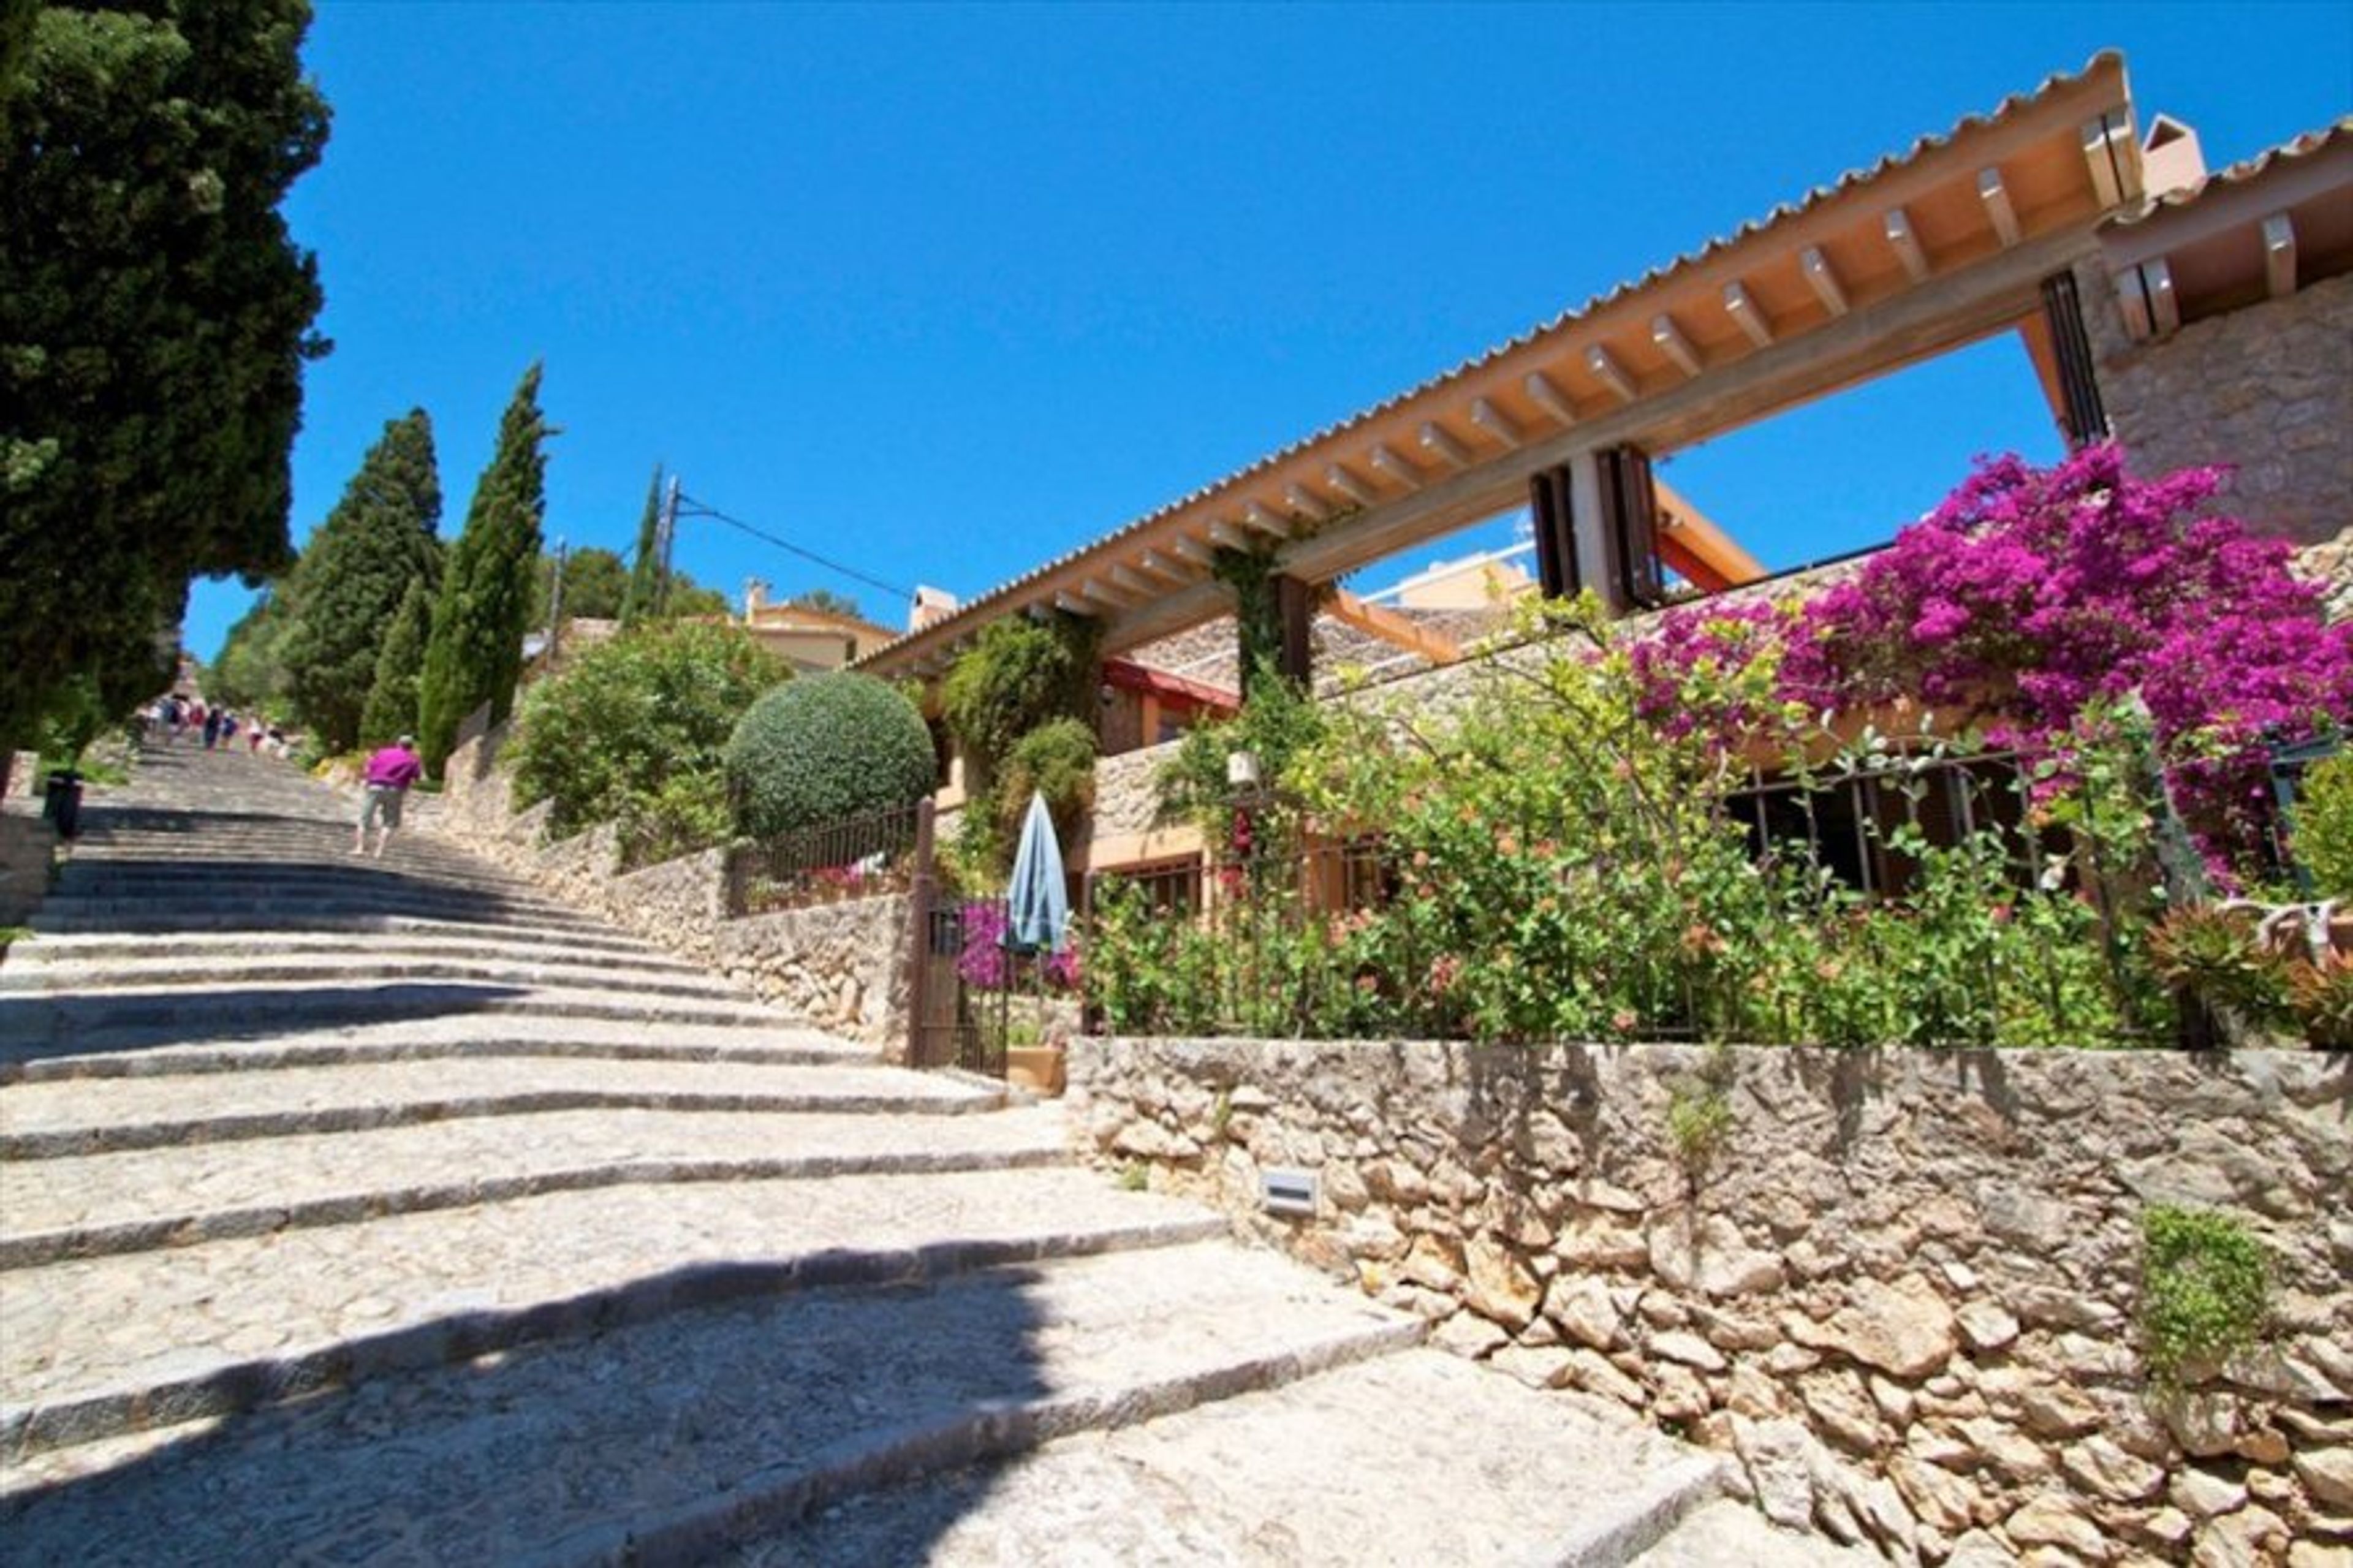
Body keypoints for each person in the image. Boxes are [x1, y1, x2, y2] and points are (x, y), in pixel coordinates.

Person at [355, 734, 424, 857]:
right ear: (411, 747)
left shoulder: (383, 753)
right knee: (389, 822)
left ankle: (360, 848)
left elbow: (369, 767)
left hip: (375, 786)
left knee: (365, 818)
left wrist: (366, 780)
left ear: (398, 743)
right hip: (395, 790)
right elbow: (417, 777)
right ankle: (379, 851)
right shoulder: (413, 759)